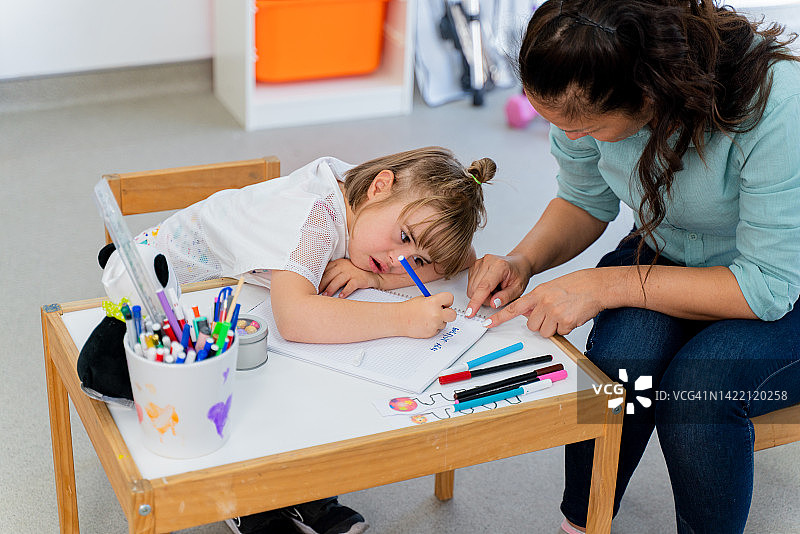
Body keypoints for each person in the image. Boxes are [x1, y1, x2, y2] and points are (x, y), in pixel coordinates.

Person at [464, 1, 800, 533]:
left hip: (780, 280)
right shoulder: (581, 83)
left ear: (651, 95)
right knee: (619, 367)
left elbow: (765, 287)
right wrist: (522, 259)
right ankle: (584, 521)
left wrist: (608, 284)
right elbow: (583, 199)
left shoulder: (778, 103)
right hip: (672, 249)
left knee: (697, 394)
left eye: (587, 126)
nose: (569, 137)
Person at [114, 146, 495, 534]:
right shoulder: (313, 219)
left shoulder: (366, 195)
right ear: (381, 187)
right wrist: (402, 316)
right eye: (403, 237)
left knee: (316, 366)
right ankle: (250, 500)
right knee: (270, 374)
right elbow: (294, 319)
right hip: (159, 300)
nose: (401, 261)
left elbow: (461, 259)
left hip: (239, 291)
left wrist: (376, 278)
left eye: (416, 261)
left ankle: (301, 490)